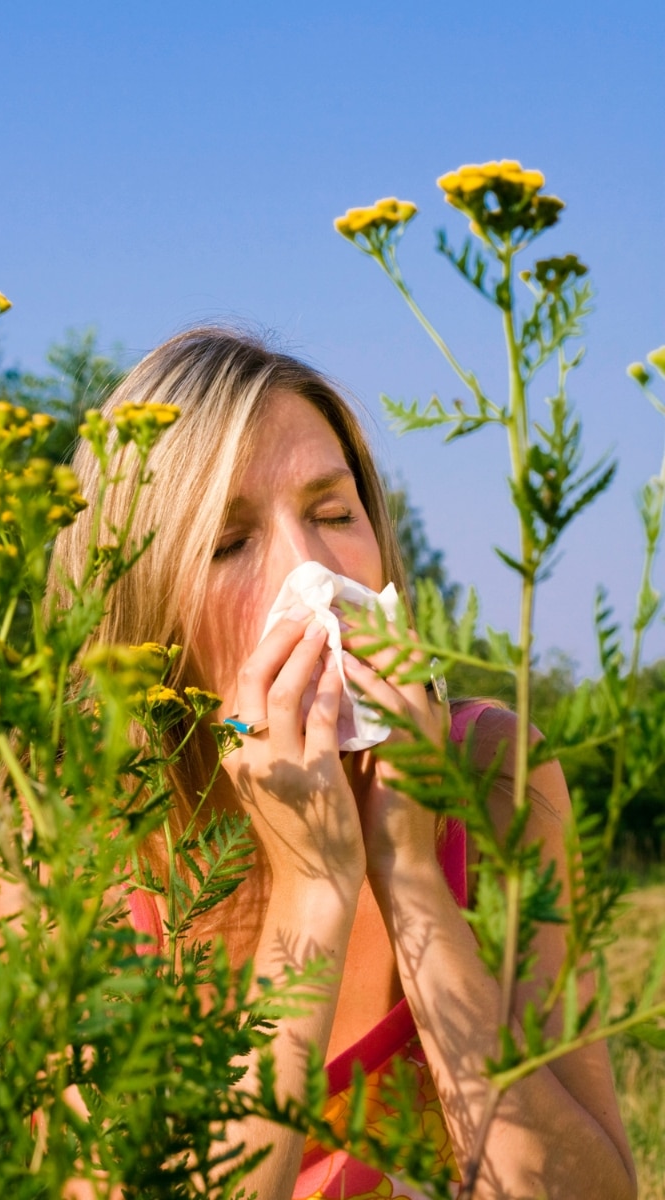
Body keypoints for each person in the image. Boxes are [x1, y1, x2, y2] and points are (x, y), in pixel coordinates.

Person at [49, 327, 636, 1200]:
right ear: (143, 610)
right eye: (226, 542)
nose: (310, 569)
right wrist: (313, 893)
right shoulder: (63, 838)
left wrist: (407, 868)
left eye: (332, 515)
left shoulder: (493, 771)